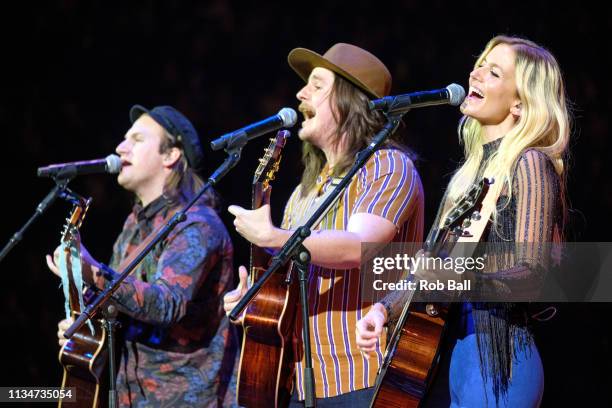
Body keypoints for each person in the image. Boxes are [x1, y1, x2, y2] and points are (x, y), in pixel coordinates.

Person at [356, 35, 570, 407]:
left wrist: (460, 278)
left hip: (500, 359)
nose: (476, 73)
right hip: (453, 355)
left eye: (493, 71)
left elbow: (533, 275)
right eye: (480, 64)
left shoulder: (529, 164)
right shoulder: (469, 176)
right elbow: (429, 267)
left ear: (520, 103)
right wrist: (383, 308)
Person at [223, 43, 424, 406]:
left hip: (361, 377)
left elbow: (357, 246)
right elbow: (288, 285)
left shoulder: (387, 167)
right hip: (299, 382)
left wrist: (275, 236)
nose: (301, 94)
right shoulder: (305, 191)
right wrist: (255, 302)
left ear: (350, 101)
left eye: (317, 85)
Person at [47, 105, 238, 407]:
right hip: (130, 395)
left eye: (137, 139)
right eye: (124, 139)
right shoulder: (135, 223)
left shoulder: (198, 225)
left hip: (184, 397)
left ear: (170, 155)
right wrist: (87, 324)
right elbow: (121, 304)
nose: (121, 147)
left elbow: (167, 304)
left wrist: (95, 272)